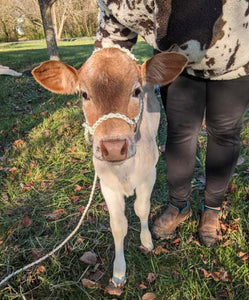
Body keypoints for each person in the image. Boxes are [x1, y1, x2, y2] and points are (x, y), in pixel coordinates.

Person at [94, 0, 249, 246]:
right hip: (176, 64)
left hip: (235, 64)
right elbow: (113, 39)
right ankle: (179, 205)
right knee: (180, 134)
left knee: (225, 134)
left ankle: (212, 208)